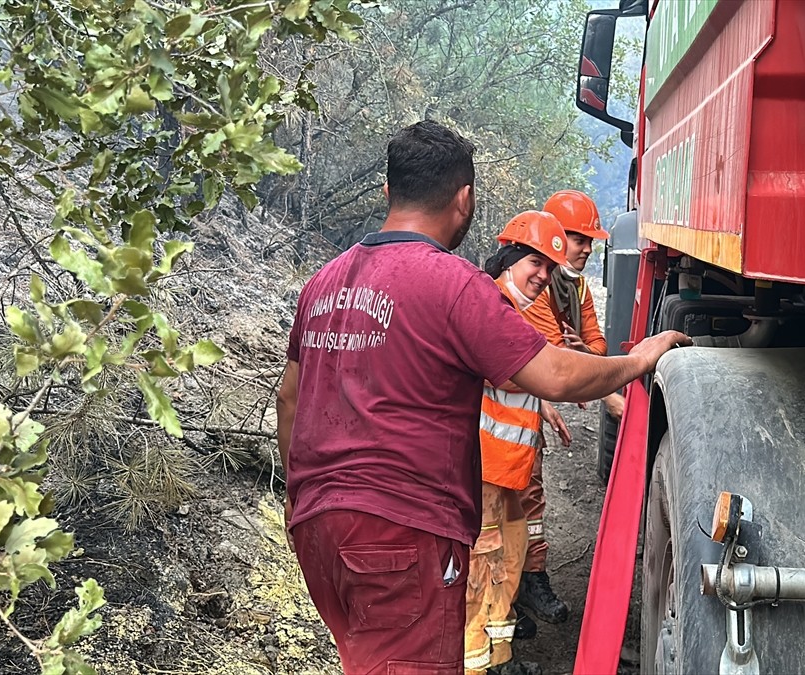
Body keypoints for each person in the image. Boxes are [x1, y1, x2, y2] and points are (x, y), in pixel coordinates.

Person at [276, 120, 688, 674]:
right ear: (465, 198)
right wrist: (641, 359)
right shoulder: (453, 284)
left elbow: (291, 401)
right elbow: (557, 376)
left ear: (387, 192)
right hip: (402, 535)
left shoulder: (323, 282)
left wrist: (300, 501)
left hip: (316, 525)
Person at [465, 211, 572, 675]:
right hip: (485, 471)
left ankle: (502, 660)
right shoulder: (491, 307)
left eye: (550, 270)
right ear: (509, 257)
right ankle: (473, 665)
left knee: (505, 566)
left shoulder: (513, 313)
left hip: (508, 471)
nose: (542, 277)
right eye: (535, 262)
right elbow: (532, 372)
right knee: (479, 572)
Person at [514, 190, 620, 625]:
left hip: (523, 411)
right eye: (580, 239)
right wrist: (607, 392)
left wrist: (581, 353)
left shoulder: (573, 288)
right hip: (510, 411)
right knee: (508, 503)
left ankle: (528, 580)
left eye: (591, 241)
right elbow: (554, 366)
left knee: (527, 499)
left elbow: (594, 344)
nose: (588, 250)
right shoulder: (534, 287)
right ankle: (513, 592)